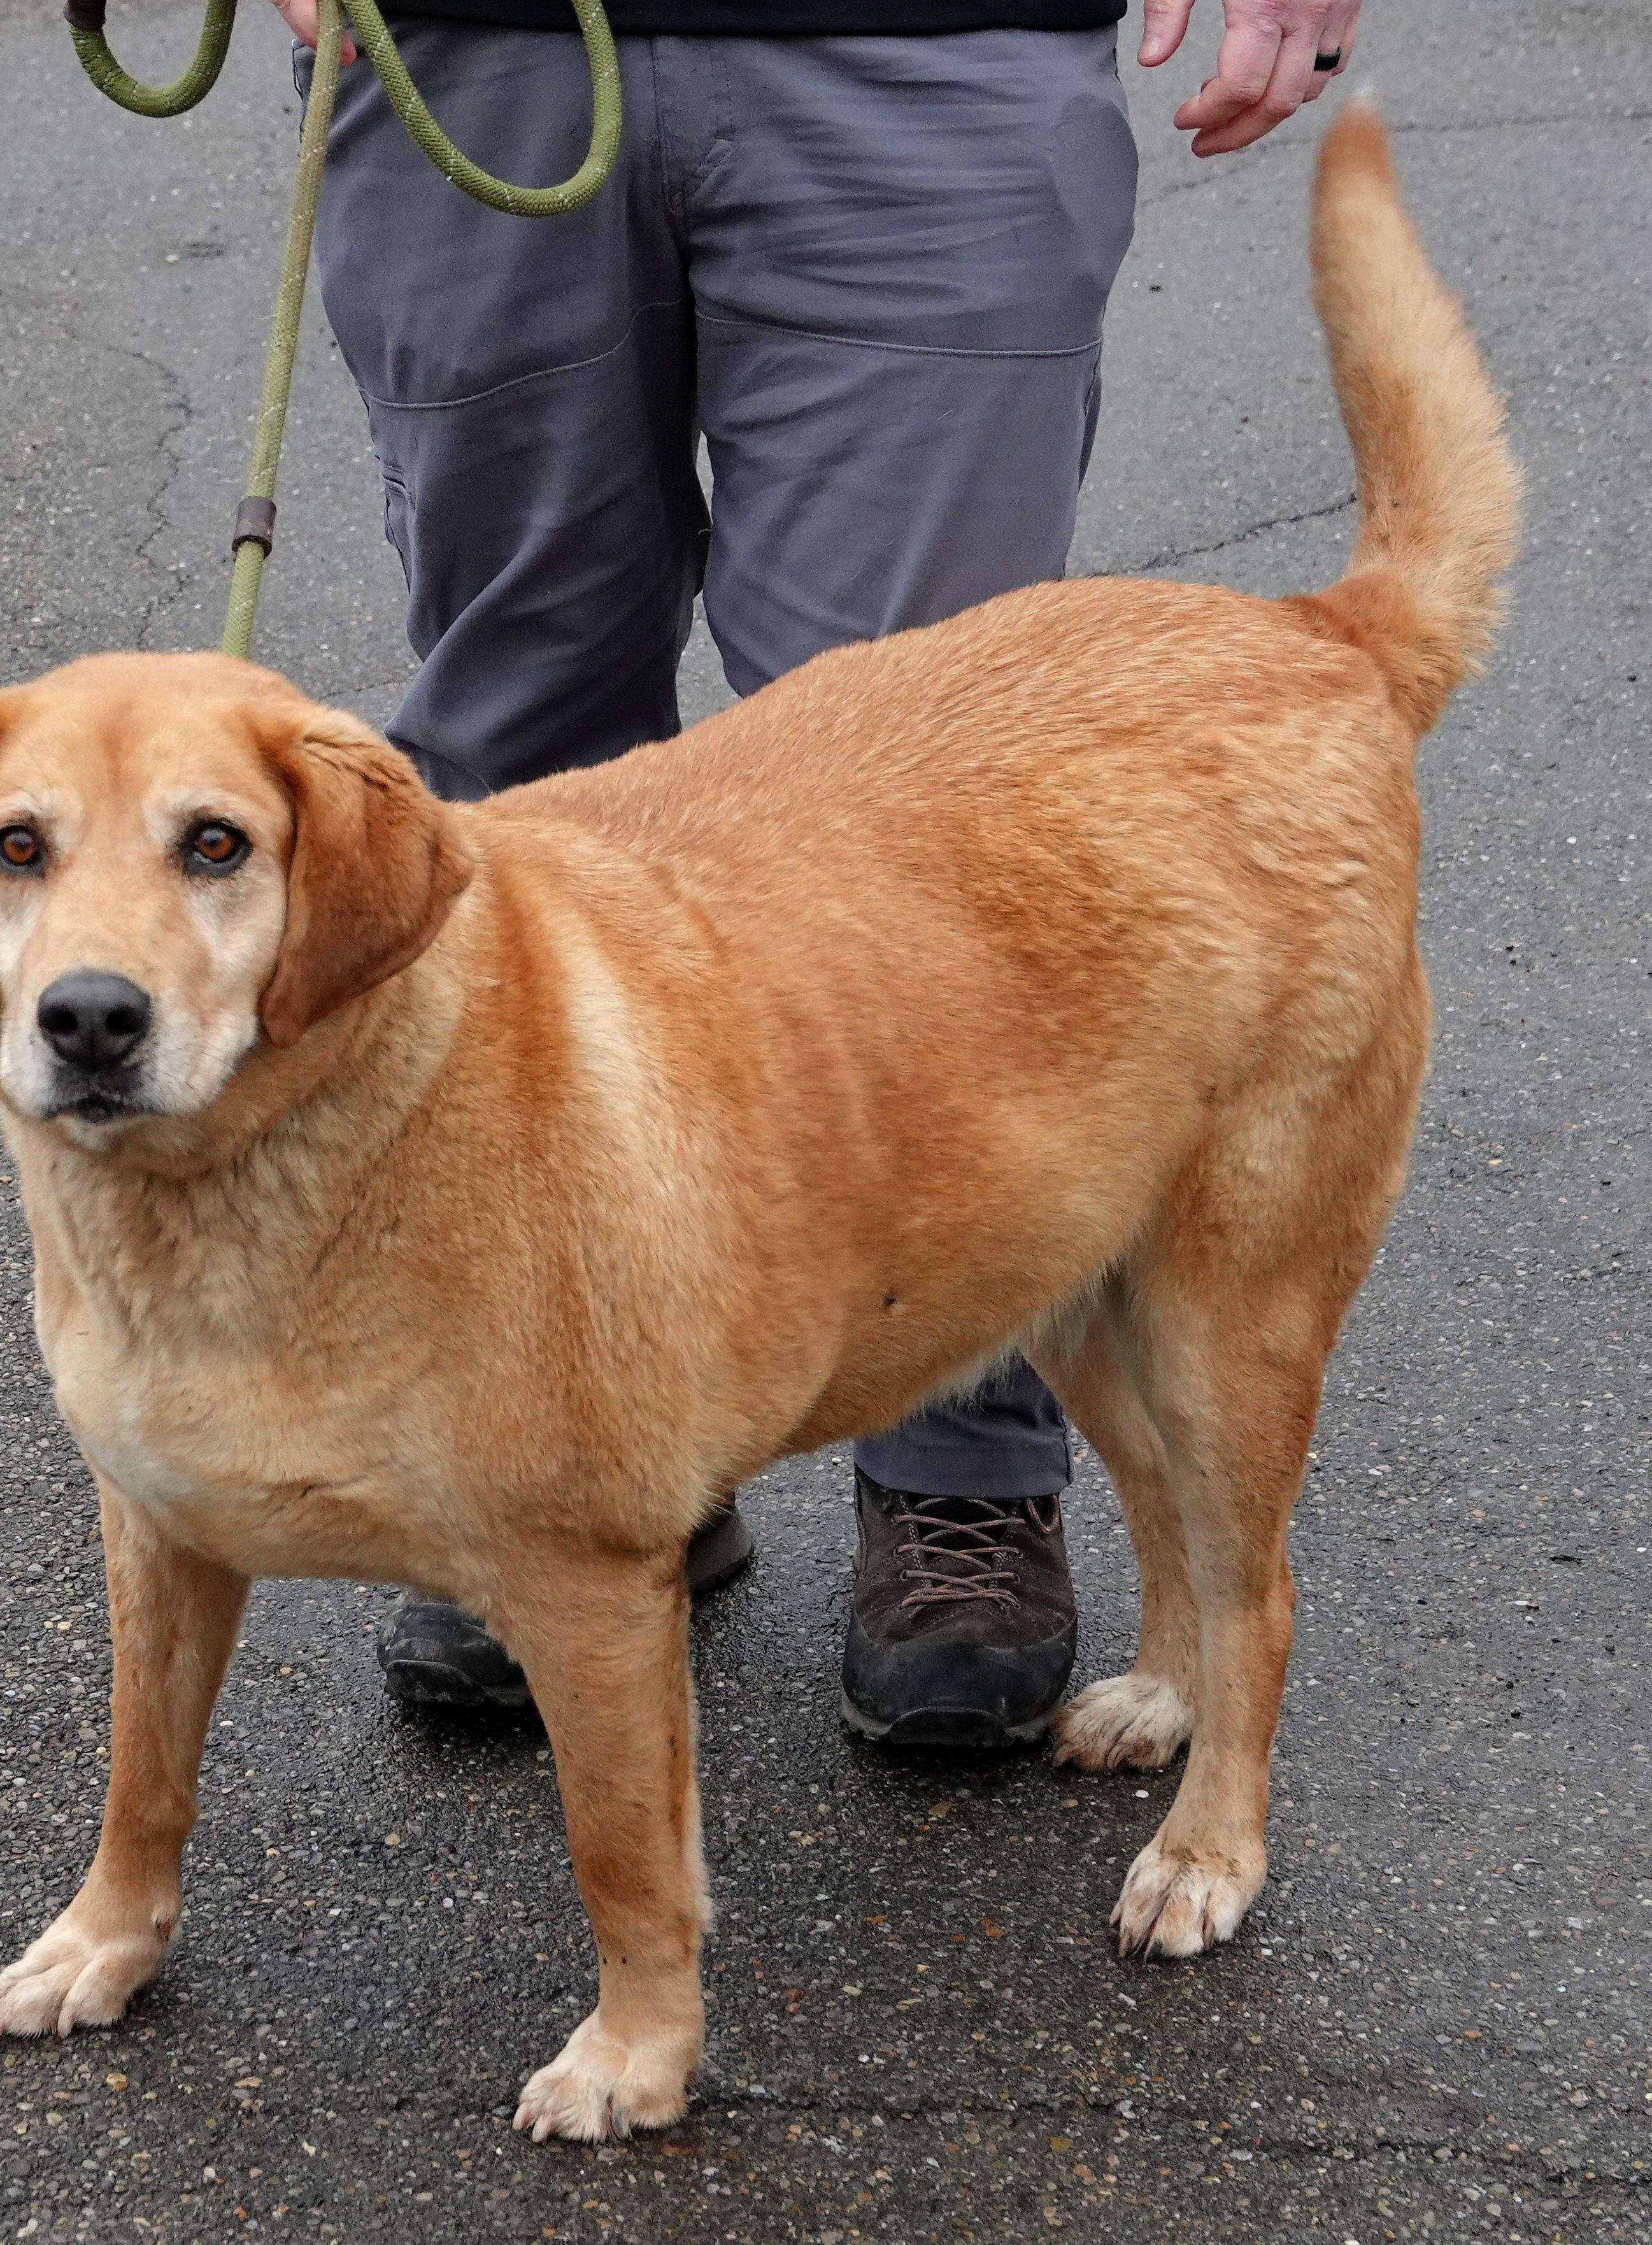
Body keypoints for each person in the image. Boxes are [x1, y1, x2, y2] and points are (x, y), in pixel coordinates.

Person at [269, 0, 1360, 1742]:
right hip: (477, 49)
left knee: (914, 812)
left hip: (926, 47)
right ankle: (563, 1433)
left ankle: (960, 1459)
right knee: (512, 766)